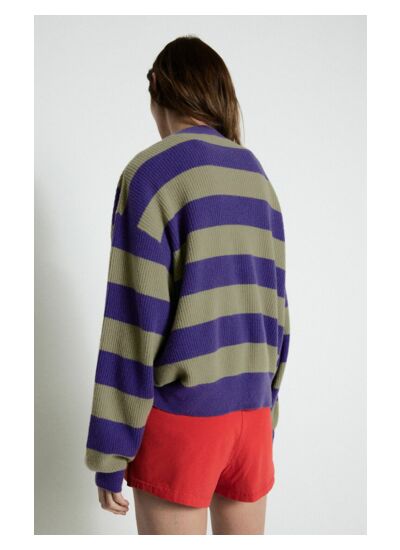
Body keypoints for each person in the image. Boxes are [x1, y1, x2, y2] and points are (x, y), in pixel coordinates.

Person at [84, 34, 290, 535]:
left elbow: (133, 321)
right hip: (252, 417)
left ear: (158, 88)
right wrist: (266, 410)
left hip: (184, 423)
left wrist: (110, 451)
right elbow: (278, 311)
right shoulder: (256, 177)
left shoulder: (152, 174)